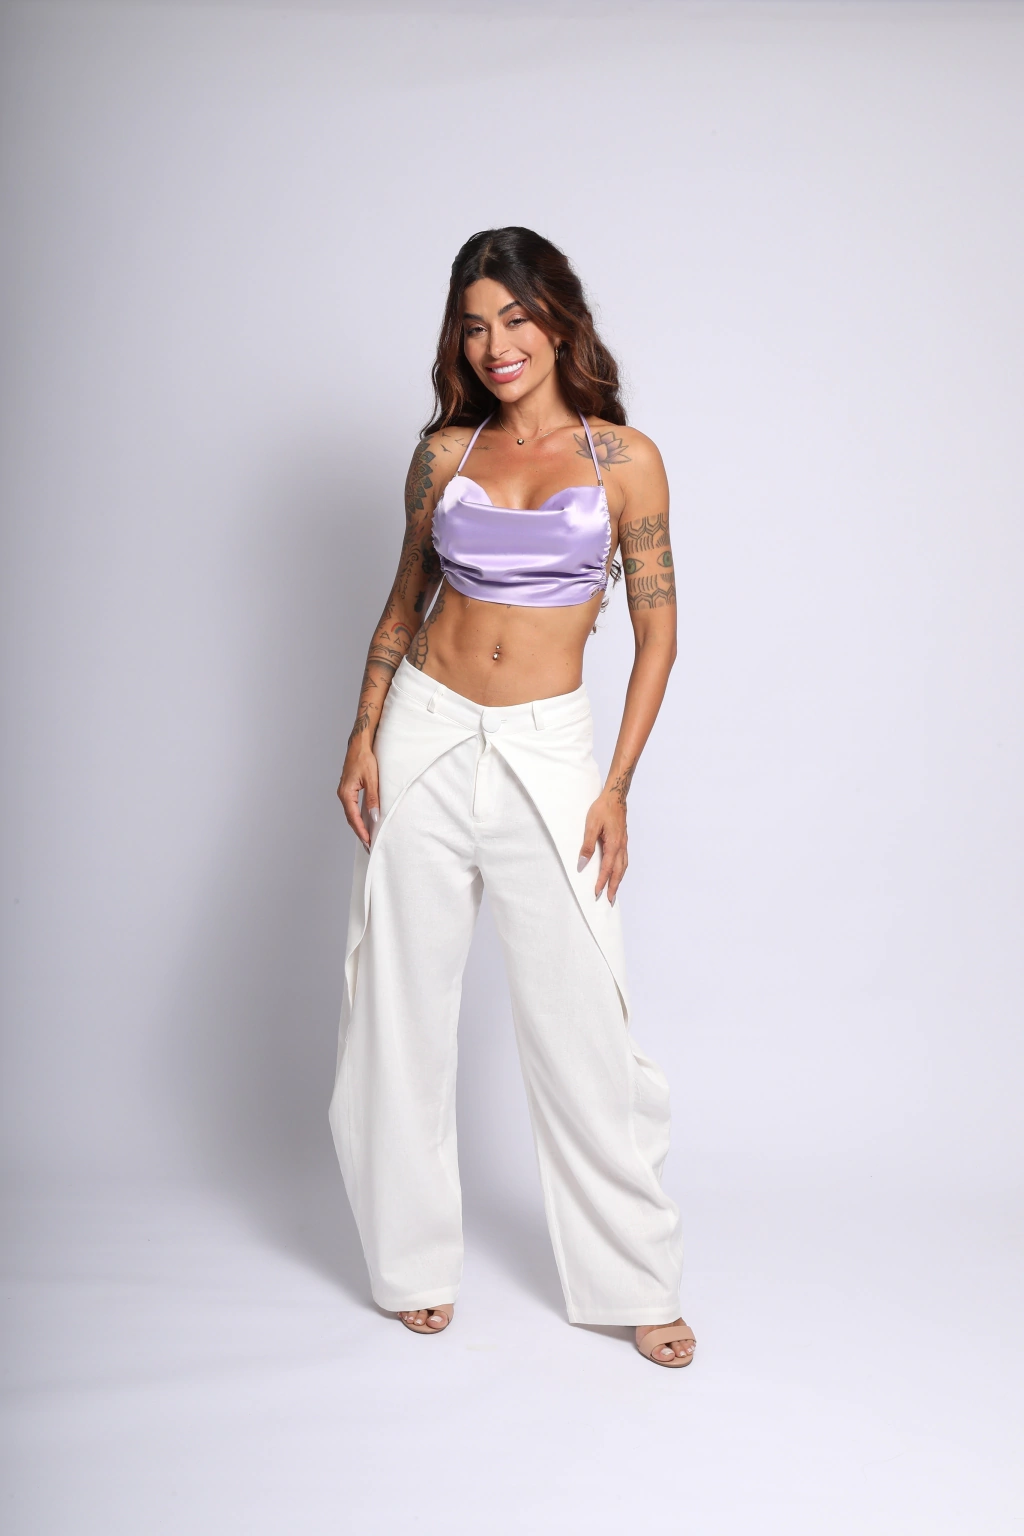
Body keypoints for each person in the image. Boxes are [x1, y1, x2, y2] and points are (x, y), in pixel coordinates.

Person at [331, 227, 695, 1368]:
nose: (496, 344)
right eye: (475, 325)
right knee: (396, 1008)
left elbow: (658, 634)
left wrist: (616, 786)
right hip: (426, 731)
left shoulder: (624, 459)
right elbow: (404, 603)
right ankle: (410, 1262)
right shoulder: (443, 455)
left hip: (549, 747)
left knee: (583, 1018)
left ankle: (633, 1280)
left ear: (558, 320)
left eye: (516, 319)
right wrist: (363, 730)